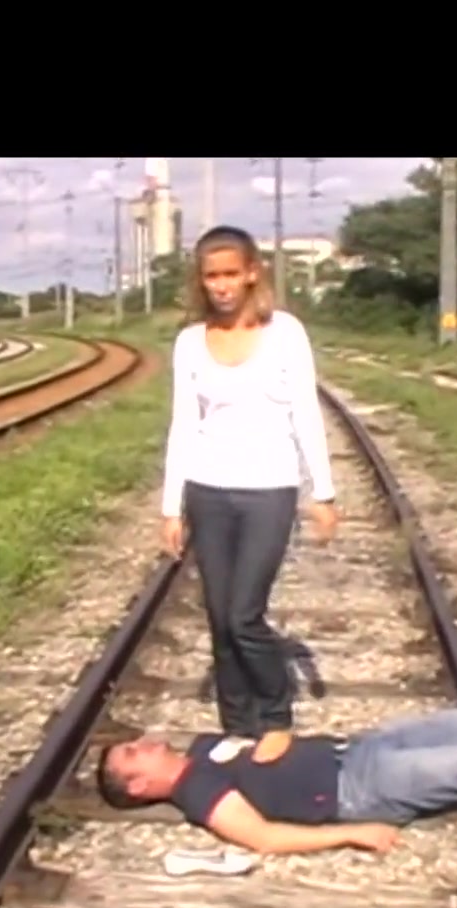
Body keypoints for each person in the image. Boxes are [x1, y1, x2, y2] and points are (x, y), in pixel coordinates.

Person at [159, 225, 337, 764]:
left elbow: (305, 412)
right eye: (211, 276)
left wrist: (323, 491)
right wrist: (171, 506)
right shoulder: (190, 341)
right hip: (208, 491)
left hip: (269, 490)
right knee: (218, 616)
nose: (221, 285)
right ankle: (237, 725)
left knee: (243, 614)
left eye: (231, 274)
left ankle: (276, 717)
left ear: (252, 273)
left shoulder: (285, 333)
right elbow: (184, 424)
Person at [93, 703, 457, 856]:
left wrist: (275, 737)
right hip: (361, 790)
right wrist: (353, 834)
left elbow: (264, 747)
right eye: (134, 754)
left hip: (361, 747)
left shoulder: (200, 750)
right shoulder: (197, 793)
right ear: (140, 788)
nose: (146, 742)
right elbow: (264, 837)